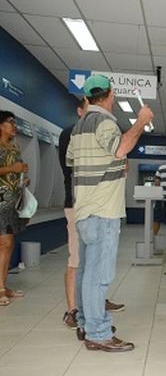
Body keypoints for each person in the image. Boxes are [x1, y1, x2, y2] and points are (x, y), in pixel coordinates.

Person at [66, 74, 153, 351]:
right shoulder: (103, 121)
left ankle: (86, 321)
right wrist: (141, 121)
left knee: (85, 270)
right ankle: (98, 333)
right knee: (99, 274)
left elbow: (71, 160)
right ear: (111, 95)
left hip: (84, 208)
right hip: (102, 210)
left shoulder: (79, 127)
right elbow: (120, 149)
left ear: (87, 97)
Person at [59, 98, 125, 328]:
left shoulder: (83, 133)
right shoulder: (75, 133)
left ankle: (89, 313)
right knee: (81, 263)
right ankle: (78, 315)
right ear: (81, 110)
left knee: (89, 264)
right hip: (85, 205)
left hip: (86, 204)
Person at [0, 111, 29, 306]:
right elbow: (10, 169)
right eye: (11, 122)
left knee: (8, 244)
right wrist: (12, 169)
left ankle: (3, 285)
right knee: (6, 242)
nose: (15, 126)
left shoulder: (15, 147)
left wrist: (23, 178)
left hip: (13, 201)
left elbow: (16, 170)